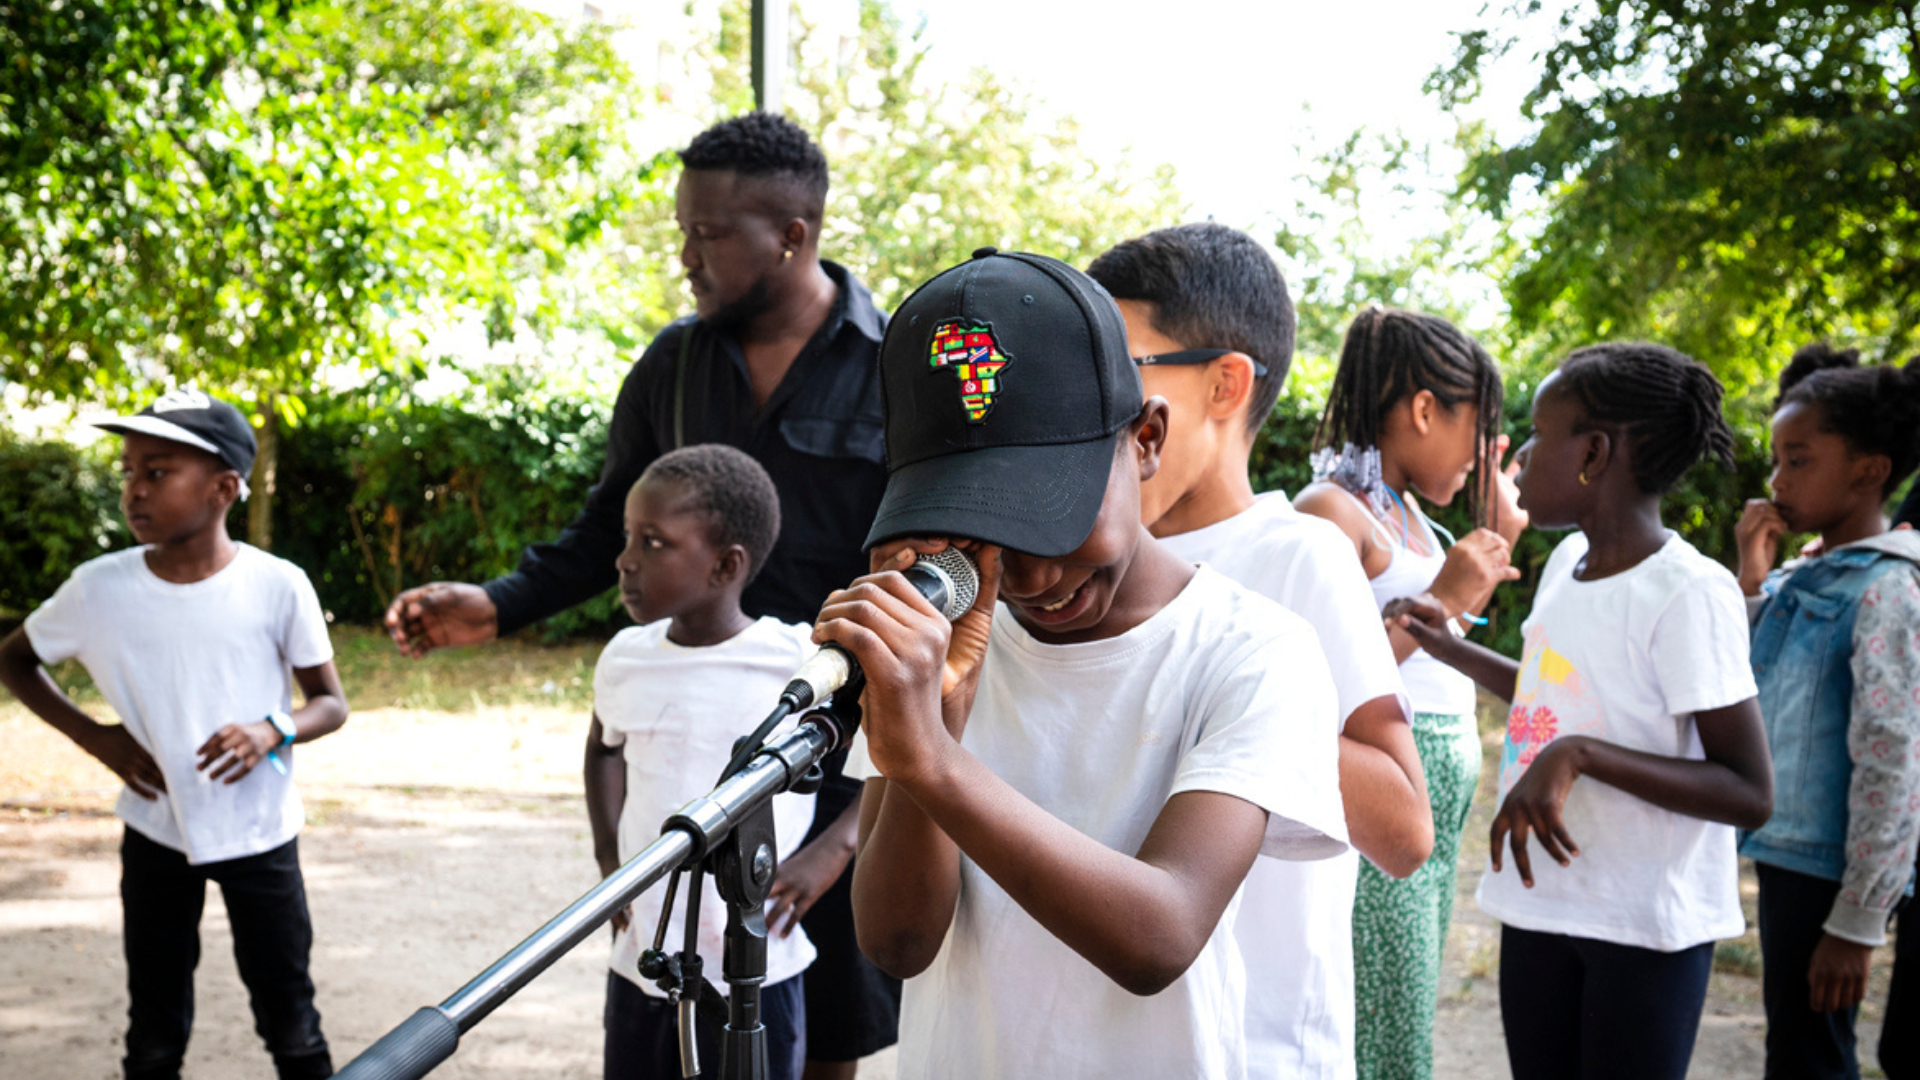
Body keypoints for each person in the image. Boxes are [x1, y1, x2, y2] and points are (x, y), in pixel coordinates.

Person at [381, 112, 899, 1075]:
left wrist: (841, 840)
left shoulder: (891, 371)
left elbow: (924, 591)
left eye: (707, 233)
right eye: (682, 230)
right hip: (692, 751)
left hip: (837, 762)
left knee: (819, 1031)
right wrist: (498, 604)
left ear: (791, 234)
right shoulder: (672, 363)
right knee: (673, 1011)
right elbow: (605, 530)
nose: (686, 256)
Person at [829, 248, 1348, 1079]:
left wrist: (932, 759)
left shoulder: (1251, 651)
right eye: (979, 527)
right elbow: (896, 943)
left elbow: (1161, 935)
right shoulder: (939, 658)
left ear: (1145, 440)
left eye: (1054, 515)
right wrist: (934, 730)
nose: (1032, 576)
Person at [1085, 223, 1429, 1080]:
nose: (1093, 409)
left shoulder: (1298, 552)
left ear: (1225, 384)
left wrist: (1232, 697)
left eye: (1120, 371)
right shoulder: (1077, 563)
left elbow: (1402, 827)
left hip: (1258, 1044)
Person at [1390, 342, 1775, 1080]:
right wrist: (1449, 650)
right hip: (1542, 906)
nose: (1523, 458)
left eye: (1540, 435)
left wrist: (1578, 758)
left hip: (1644, 926)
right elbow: (1550, 697)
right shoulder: (1567, 565)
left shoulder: (1689, 591)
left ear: (1595, 453)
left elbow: (1749, 791)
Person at [0, 388, 350, 1080]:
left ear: (224, 488)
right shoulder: (97, 589)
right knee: (155, 1024)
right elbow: (13, 658)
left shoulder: (278, 585)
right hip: (157, 830)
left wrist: (271, 729)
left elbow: (330, 704)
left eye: (157, 472)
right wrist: (95, 738)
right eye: (129, 470)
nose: (134, 489)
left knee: (289, 1014)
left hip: (260, 834)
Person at [1290, 308, 1524, 1080]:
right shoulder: (1330, 511)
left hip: (1437, 798)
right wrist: (1450, 601)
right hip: (1384, 793)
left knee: (1406, 1004)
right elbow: (1316, 677)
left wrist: (1494, 540)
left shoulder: (1414, 516)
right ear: (1426, 410)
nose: (1483, 453)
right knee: (1383, 1022)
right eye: (1478, 428)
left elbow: (1433, 641)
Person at [584, 445, 818, 1080]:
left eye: (654, 542)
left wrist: (832, 854)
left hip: (754, 968)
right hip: (645, 956)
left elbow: (882, 769)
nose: (625, 559)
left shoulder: (796, 660)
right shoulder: (625, 657)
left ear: (725, 566)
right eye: (629, 537)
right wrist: (611, 860)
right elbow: (603, 749)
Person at [1733, 345, 1920, 1080]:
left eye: (1799, 459)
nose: (1777, 479)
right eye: (1776, 459)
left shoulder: (1887, 591)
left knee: (1811, 1059)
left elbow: (1894, 761)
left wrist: (1859, 917)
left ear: (1870, 470)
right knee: (1797, 1049)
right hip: (1788, 856)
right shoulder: (1803, 573)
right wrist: (1752, 574)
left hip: (1830, 872)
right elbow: (1739, 684)